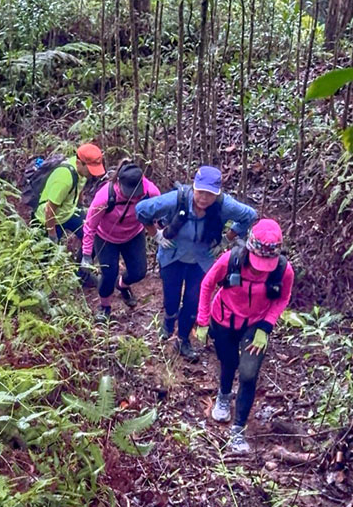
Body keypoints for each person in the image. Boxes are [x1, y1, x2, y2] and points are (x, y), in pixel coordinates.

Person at [135, 165, 257, 361]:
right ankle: (168, 322)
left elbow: (249, 216)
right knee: (171, 298)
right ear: (193, 187)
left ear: (217, 193)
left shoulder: (224, 205)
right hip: (172, 255)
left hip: (202, 259)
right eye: (200, 192)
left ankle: (183, 339)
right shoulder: (177, 199)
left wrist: (227, 239)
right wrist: (156, 235)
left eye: (210, 194)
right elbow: (142, 210)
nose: (204, 198)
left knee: (193, 301)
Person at [195, 218, 294, 453]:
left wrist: (266, 326)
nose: (261, 268)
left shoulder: (283, 270)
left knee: (249, 374)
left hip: (256, 325)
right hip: (224, 319)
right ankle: (223, 395)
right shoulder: (231, 260)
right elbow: (207, 284)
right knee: (228, 362)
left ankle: (238, 429)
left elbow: (283, 298)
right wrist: (202, 320)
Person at [81, 160, 160, 323]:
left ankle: (123, 285)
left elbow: (159, 211)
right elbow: (90, 225)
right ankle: (105, 307)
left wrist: (161, 232)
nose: (134, 196)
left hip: (134, 234)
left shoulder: (150, 191)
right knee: (109, 274)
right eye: (129, 191)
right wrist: (86, 255)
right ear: (119, 182)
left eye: (136, 191)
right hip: (106, 237)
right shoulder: (105, 196)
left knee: (139, 272)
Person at [34, 143, 105, 243]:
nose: (93, 174)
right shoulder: (64, 179)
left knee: (92, 239)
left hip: (70, 212)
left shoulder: (82, 172)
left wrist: (80, 205)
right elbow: (49, 209)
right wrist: (52, 235)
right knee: (50, 251)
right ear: (79, 163)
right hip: (50, 220)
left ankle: (83, 253)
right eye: (90, 170)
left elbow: (79, 187)